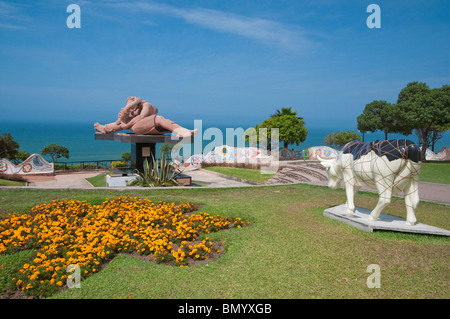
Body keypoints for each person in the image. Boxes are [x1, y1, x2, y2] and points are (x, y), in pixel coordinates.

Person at [94, 97, 198, 137]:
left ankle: (183, 131)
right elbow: (120, 122)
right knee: (159, 119)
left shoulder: (146, 105)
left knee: (161, 120)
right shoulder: (132, 109)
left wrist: (127, 124)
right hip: (138, 128)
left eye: (132, 102)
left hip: (141, 126)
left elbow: (141, 117)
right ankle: (181, 131)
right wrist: (126, 122)